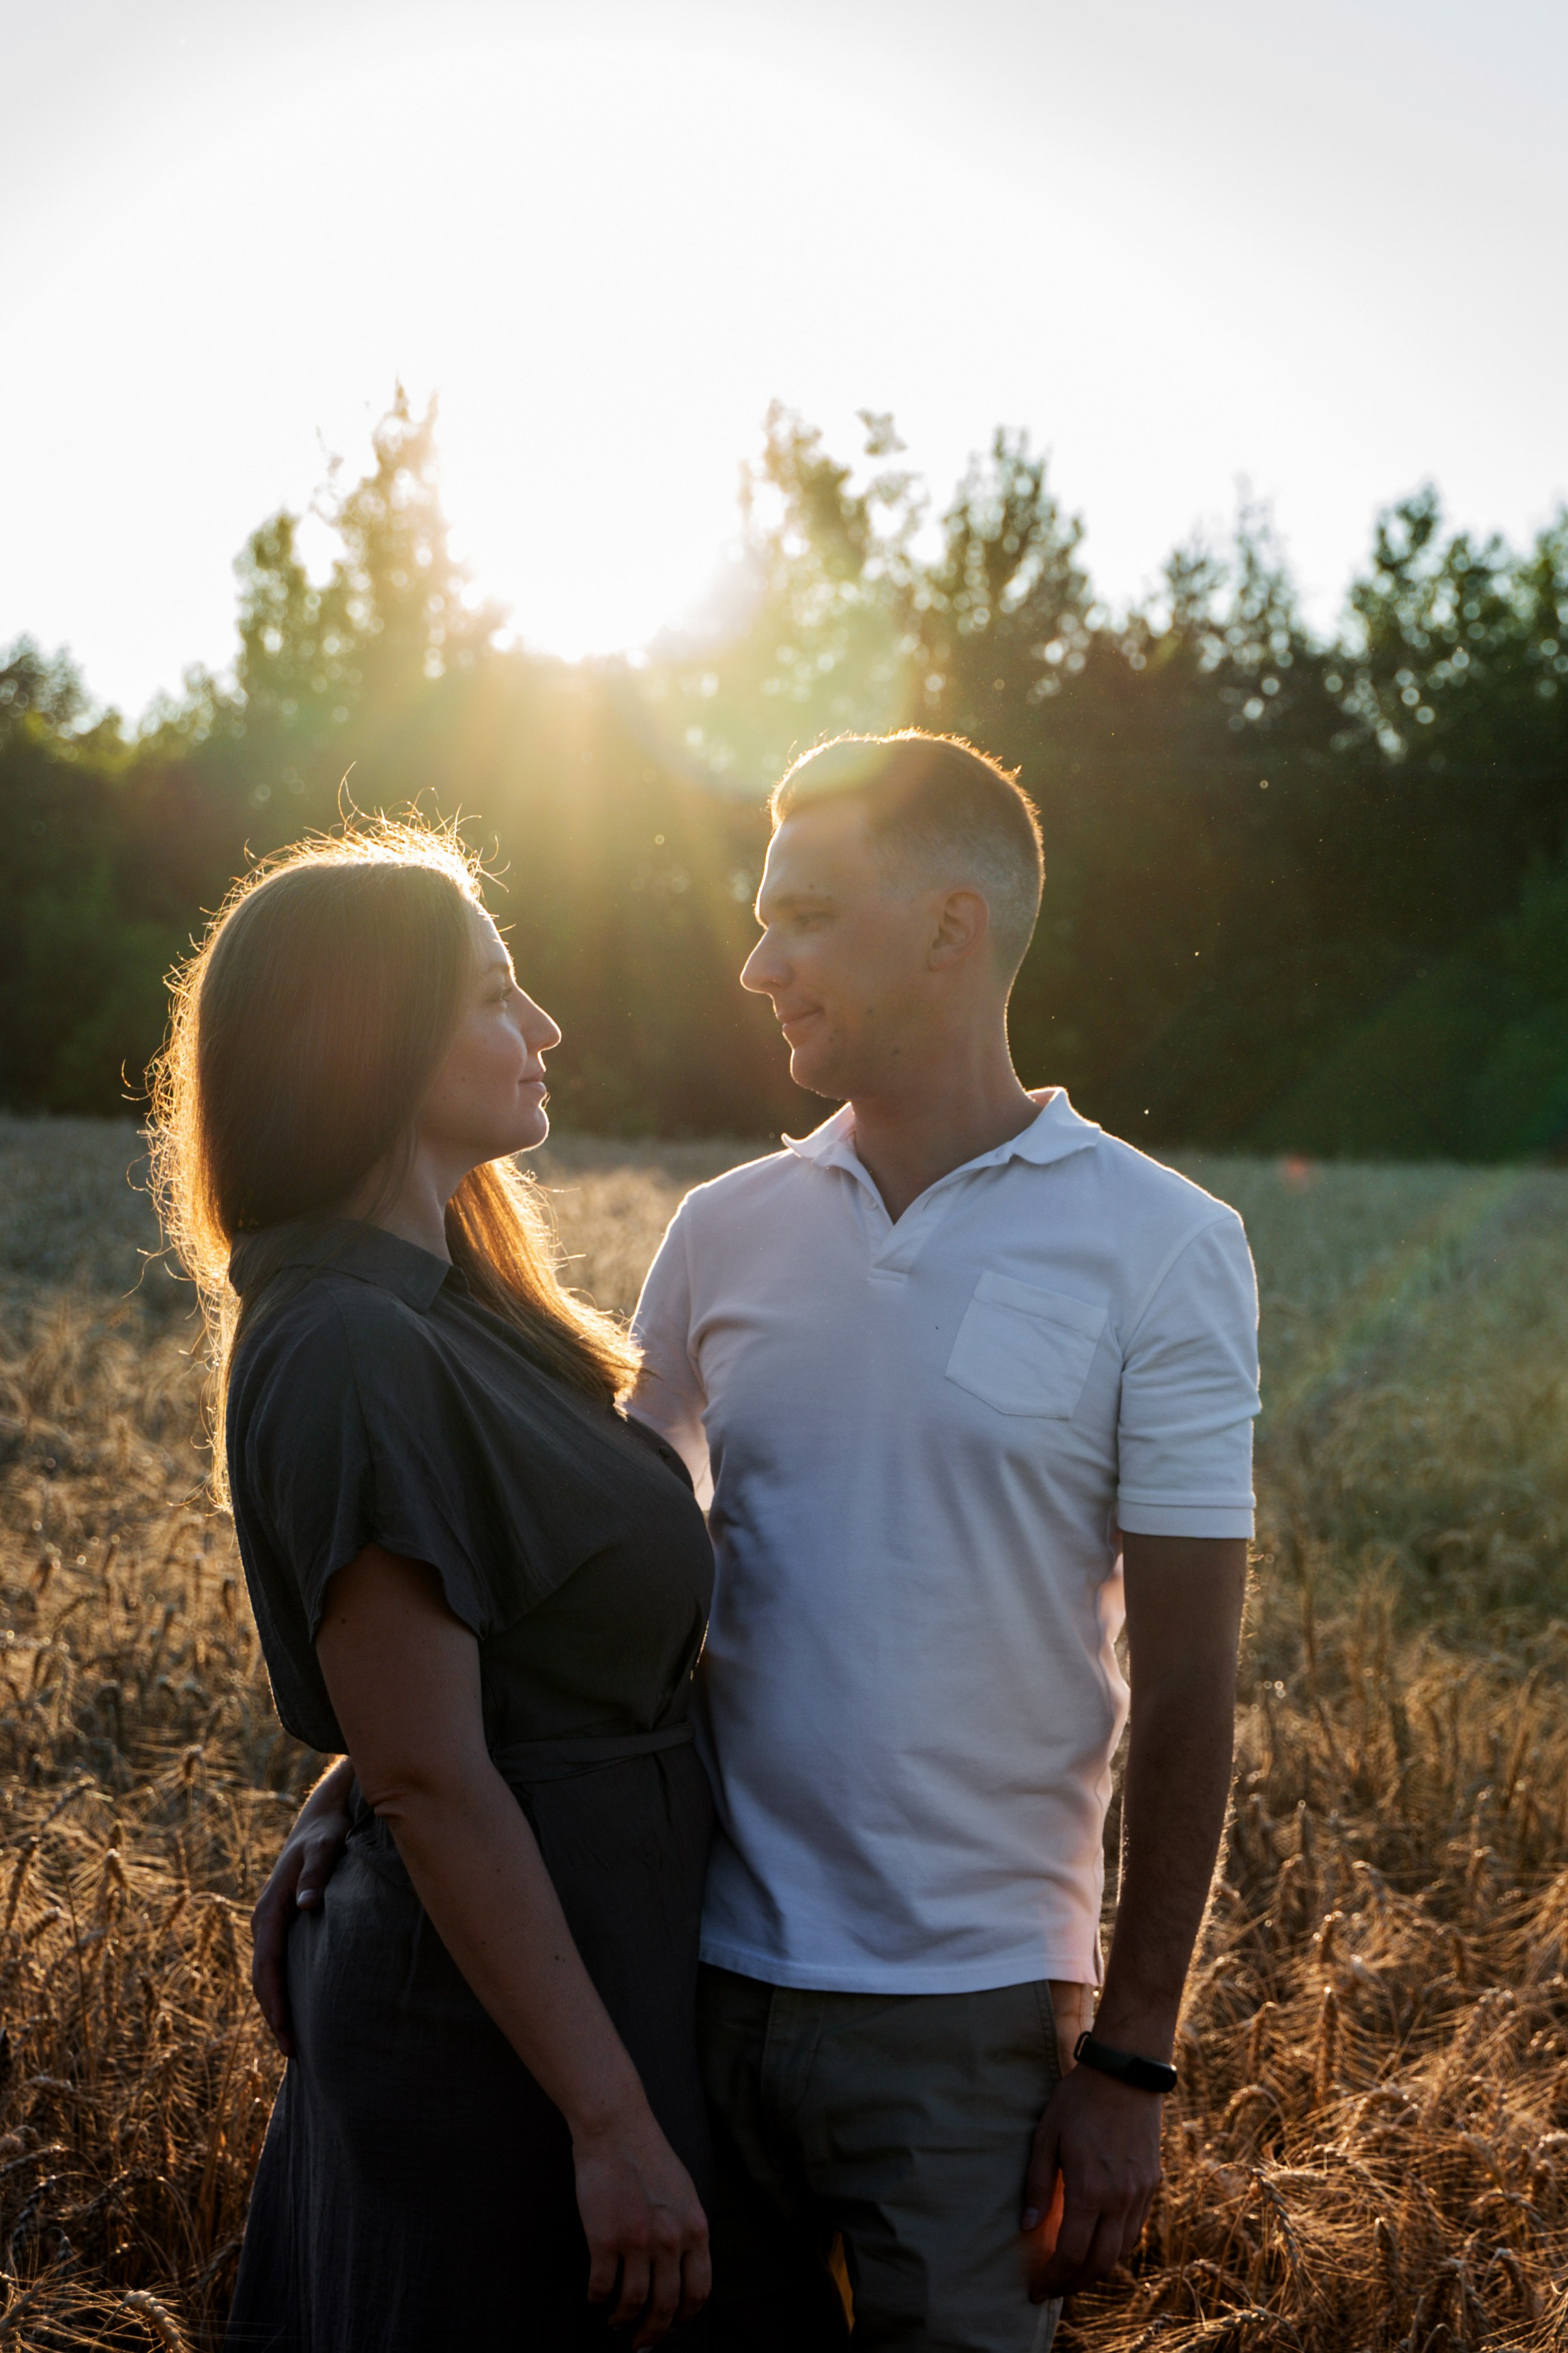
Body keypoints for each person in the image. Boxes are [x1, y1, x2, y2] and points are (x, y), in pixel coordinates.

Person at [260, 733, 1259, 2353]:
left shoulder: (1162, 1246)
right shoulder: (726, 1229)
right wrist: (357, 1776)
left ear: (950, 929)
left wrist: (1131, 2054)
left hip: (968, 2024)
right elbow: (577, 1574)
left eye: (802, 915)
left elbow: (1197, 1682)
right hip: (688, 1981)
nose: (756, 962)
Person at [150, 821, 715, 2353]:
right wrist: (607, 2120)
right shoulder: (341, 1337)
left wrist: (353, 1780)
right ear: (370, 1035)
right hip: (498, 2039)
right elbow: (436, 1770)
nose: (542, 1030)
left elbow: (460, 1676)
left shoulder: (457, 1308)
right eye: (494, 995)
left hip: (589, 1961)